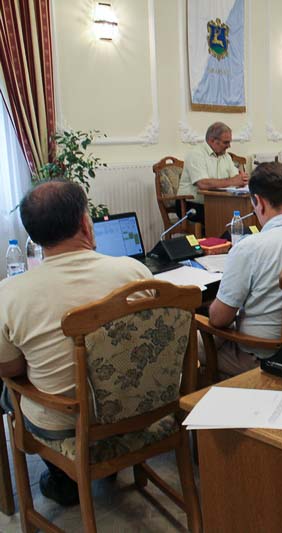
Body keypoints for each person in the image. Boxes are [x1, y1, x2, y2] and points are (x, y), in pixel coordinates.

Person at [0, 181, 152, 506]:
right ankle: (100, 465)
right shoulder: (134, 271)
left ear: (34, 237)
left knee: (7, 390)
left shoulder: (9, 293)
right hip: (137, 406)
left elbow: (10, 368)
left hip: (65, 420)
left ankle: (63, 476)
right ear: (85, 222)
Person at [204, 161, 282, 376]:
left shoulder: (248, 248)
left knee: (192, 340)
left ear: (259, 203)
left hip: (264, 358)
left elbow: (219, 319)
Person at [176, 121, 249, 222]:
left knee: (246, 212)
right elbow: (203, 183)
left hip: (217, 202)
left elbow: (236, 178)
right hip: (190, 205)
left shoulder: (226, 156)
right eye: (226, 142)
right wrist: (233, 181)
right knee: (225, 216)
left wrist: (243, 180)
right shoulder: (196, 154)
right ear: (212, 140)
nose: (229, 146)